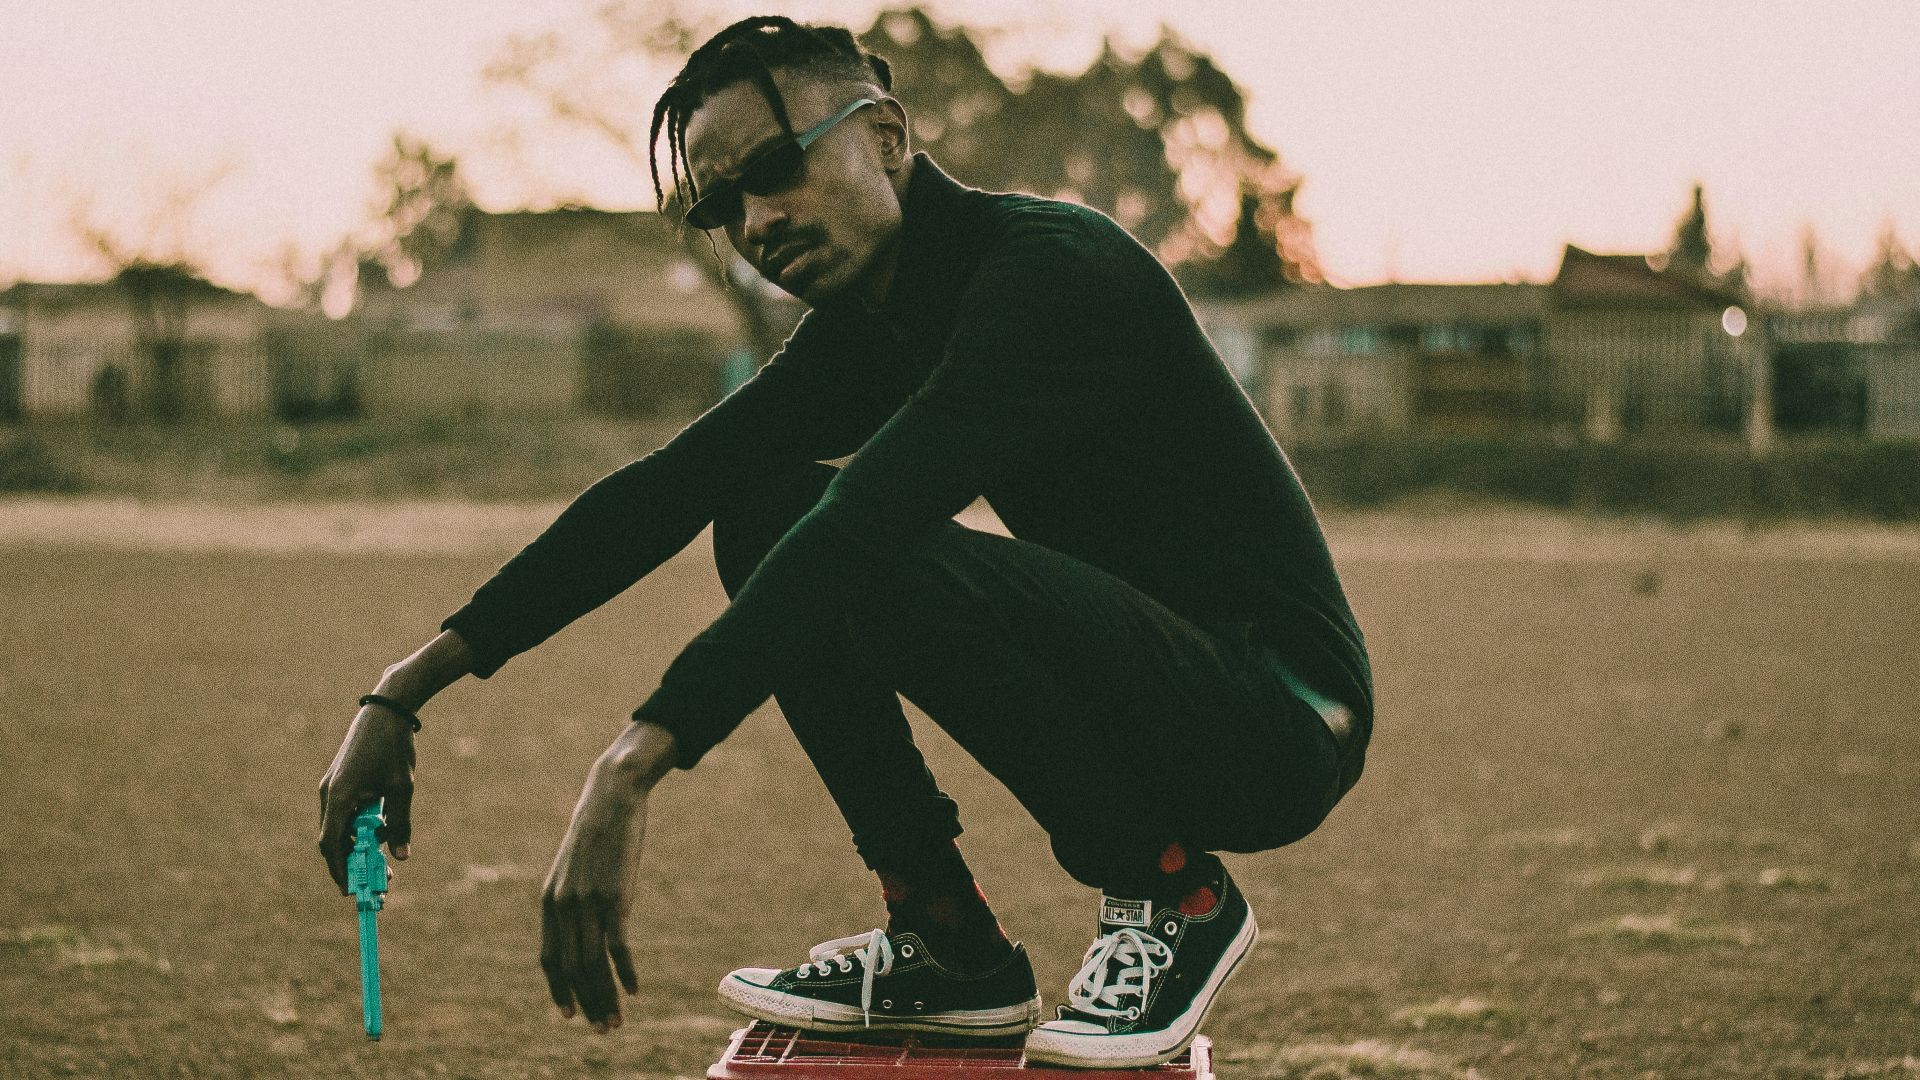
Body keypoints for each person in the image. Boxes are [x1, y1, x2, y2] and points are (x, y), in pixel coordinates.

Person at [317, 15, 1370, 1069]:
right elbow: (662, 492)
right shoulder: (878, 322)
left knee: (856, 544)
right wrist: (405, 686)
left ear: (888, 137)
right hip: (1147, 692)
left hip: (1274, 717)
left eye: (777, 168)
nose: (757, 220)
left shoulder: (1053, 273)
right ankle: (947, 939)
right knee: (763, 507)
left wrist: (634, 761)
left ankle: (1175, 895)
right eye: (722, 206)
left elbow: (867, 521)